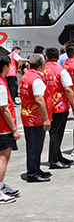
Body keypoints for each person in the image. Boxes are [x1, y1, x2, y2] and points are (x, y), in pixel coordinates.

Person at [19, 54, 51, 182]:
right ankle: (32, 173)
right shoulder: (36, 79)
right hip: (35, 117)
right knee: (35, 147)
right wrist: (46, 119)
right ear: (42, 65)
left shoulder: (25, 76)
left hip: (27, 115)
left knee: (34, 146)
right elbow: (39, 100)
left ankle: (36, 169)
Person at [44, 48, 74, 169]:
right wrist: (73, 104)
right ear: (58, 57)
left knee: (54, 133)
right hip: (59, 106)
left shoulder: (41, 70)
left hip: (46, 107)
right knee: (57, 134)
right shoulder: (61, 70)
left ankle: (57, 156)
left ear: (46, 57)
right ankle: (54, 161)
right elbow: (68, 89)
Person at [0, 53, 20, 203]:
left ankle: (2, 185)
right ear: (4, 66)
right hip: (3, 128)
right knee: (3, 159)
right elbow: (4, 109)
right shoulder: (1, 85)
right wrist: (14, 129)